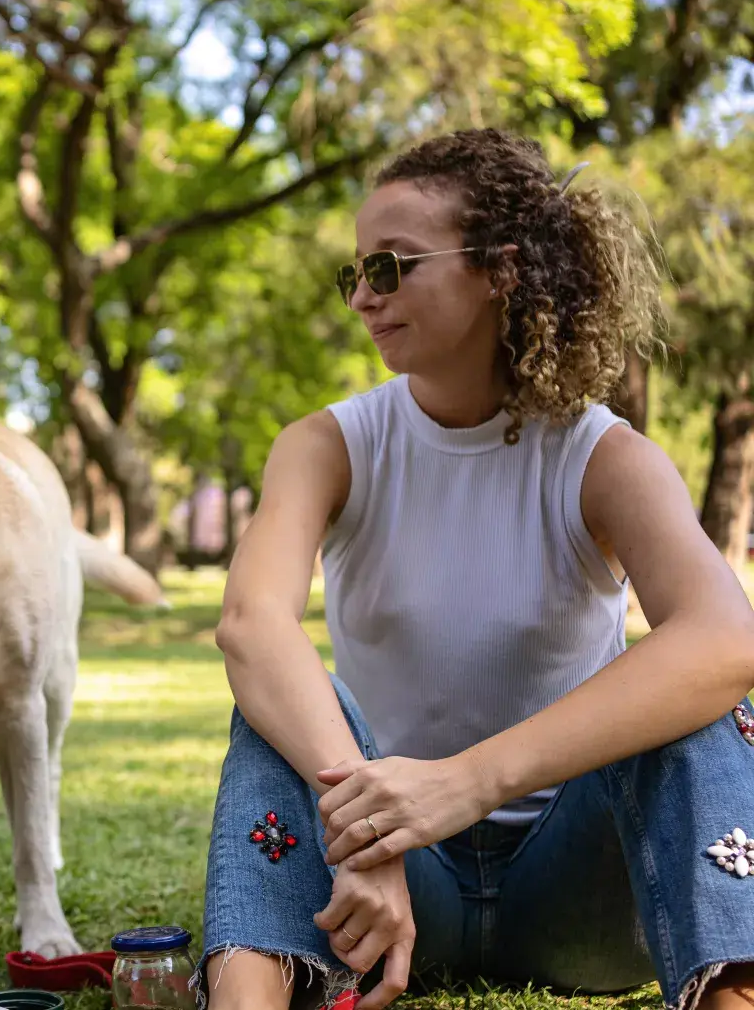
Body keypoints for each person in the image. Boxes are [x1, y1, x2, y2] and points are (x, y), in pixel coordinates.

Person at [201, 129, 754, 1010]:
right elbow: (252, 625)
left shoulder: (603, 456)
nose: (364, 298)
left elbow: (728, 639)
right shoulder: (325, 445)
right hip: (390, 896)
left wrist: (465, 782)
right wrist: (371, 836)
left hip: (582, 894)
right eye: (358, 273)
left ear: (501, 269)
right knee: (282, 694)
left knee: (700, 700)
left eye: (393, 266)